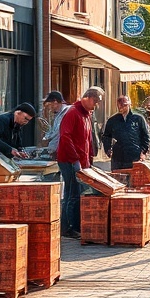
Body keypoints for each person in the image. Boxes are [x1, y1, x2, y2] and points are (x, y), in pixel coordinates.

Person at [56, 87, 103, 239]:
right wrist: (75, 159)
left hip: (81, 161)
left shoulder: (87, 114)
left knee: (77, 193)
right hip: (69, 161)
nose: (96, 105)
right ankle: (67, 227)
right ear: (87, 97)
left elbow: (88, 138)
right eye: (95, 101)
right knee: (72, 193)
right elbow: (65, 137)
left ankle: (75, 225)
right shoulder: (73, 113)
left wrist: (89, 158)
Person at [103, 95, 150, 171]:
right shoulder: (113, 120)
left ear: (129, 105)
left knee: (135, 178)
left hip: (135, 155)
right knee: (118, 178)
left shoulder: (138, 119)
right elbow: (106, 136)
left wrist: (143, 152)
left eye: (124, 105)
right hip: (118, 157)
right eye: (119, 105)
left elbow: (145, 137)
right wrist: (108, 149)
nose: (121, 107)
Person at [40, 91, 69, 158]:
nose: (50, 108)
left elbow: (58, 132)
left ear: (55, 102)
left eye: (49, 105)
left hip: (64, 151)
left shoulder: (65, 113)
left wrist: (49, 147)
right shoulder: (58, 114)